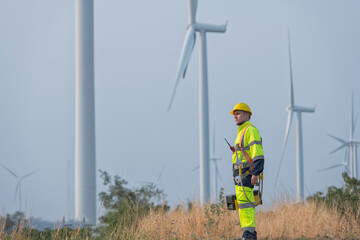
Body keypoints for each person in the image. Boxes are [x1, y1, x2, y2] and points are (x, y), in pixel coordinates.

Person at [229, 103, 264, 240]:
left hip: (247, 173)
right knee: (243, 204)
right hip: (240, 174)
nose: (235, 116)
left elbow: (258, 154)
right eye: (234, 114)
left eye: (238, 113)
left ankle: (249, 234)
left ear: (247, 115)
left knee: (246, 204)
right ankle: (247, 233)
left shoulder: (250, 130)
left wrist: (255, 173)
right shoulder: (242, 131)